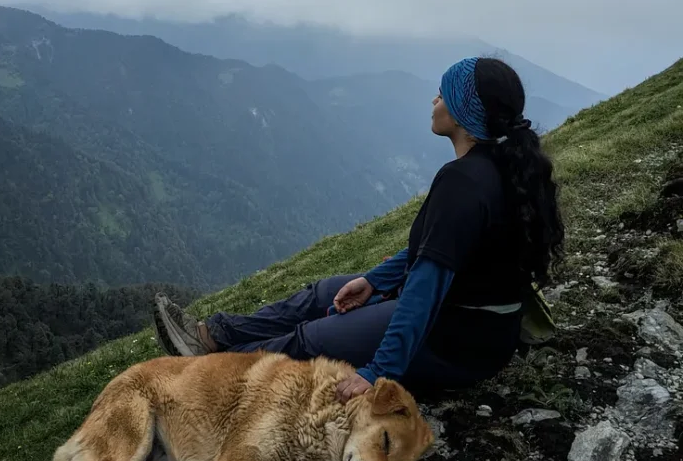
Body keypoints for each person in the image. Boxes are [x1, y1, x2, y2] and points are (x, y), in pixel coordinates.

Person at [153, 57, 564, 404]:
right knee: (321, 294)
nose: (434, 100)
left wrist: (378, 371)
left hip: (456, 339)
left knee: (310, 341)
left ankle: (204, 377)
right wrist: (374, 280)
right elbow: (442, 249)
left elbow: (426, 286)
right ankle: (213, 335)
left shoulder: (465, 182)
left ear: (462, 109)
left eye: (443, 93)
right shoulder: (505, 166)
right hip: (481, 332)